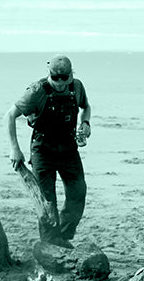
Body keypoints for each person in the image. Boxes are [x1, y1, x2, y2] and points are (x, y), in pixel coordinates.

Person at [8, 56, 92, 251]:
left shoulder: (77, 87)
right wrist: (14, 148)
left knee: (78, 192)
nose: (61, 84)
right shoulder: (37, 91)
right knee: (47, 200)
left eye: (65, 79)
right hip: (43, 149)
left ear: (71, 75)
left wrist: (85, 123)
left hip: (69, 148)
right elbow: (9, 115)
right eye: (57, 80)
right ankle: (49, 241)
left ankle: (62, 235)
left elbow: (85, 107)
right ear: (50, 75)